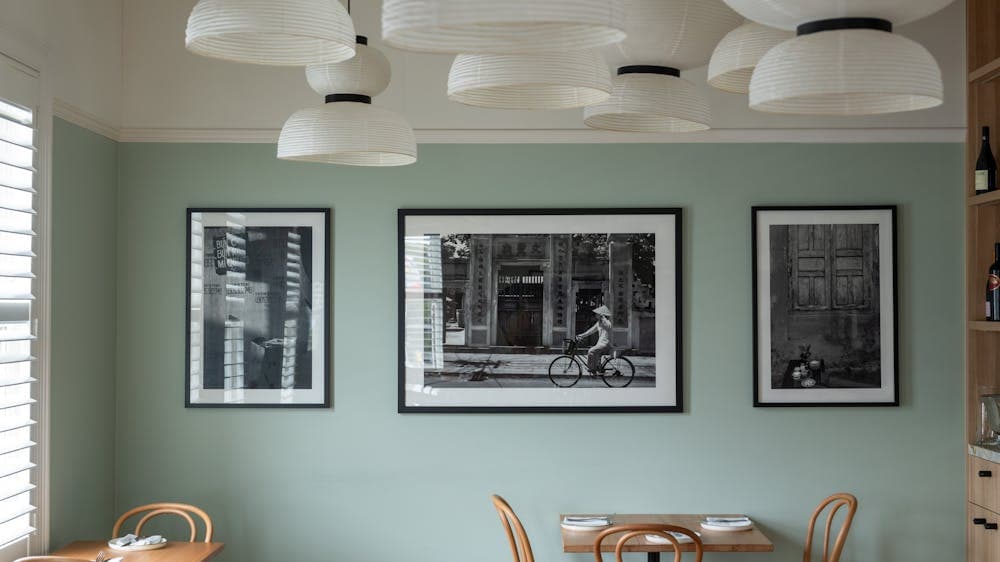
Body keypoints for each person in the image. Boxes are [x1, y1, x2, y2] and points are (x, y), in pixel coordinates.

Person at [577, 305, 612, 374]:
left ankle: (591, 368)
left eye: (597, 314)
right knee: (595, 355)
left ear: (601, 315)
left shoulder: (607, 322)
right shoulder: (598, 323)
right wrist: (582, 335)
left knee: (591, 351)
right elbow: (590, 331)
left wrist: (603, 318)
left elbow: (609, 326)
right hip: (600, 343)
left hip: (605, 343)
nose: (595, 315)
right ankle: (597, 369)